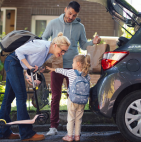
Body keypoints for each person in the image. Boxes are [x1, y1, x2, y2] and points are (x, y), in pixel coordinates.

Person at [41, 1, 101, 136]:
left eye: (74, 15)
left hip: (74, 65)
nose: (71, 17)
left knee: (73, 96)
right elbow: (44, 39)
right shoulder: (53, 23)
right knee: (55, 96)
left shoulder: (80, 27)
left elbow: (84, 45)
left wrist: (93, 42)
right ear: (65, 10)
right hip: (56, 64)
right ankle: (53, 126)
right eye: (69, 14)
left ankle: (72, 126)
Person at [0, 32, 70, 141]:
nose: (63, 53)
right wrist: (29, 67)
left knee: (8, 98)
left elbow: (30, 60)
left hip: (14, 64)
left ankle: (3, 132)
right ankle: (26, 134)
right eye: (62, 50)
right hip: (13, 63)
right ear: (55, 45)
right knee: (21, 97)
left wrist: (33, 71)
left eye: (65, 51)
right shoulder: (41, 47)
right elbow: (19, 51)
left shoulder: (48, 52)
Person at [46, 54, 91, 141]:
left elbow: (61, 71)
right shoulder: (86, 75)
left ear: (78, 63)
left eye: (73, 62)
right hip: (82, 101)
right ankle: (77, 136)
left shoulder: (71, 72)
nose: (71, 64)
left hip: (72, 99)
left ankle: (69, 136)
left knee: (71, 118)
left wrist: (53, 69)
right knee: (78, 119)